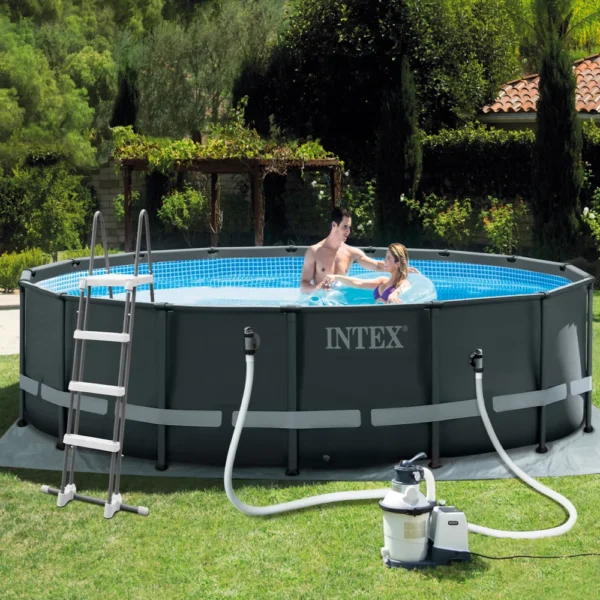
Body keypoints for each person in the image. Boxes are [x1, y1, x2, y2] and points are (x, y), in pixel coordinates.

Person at [300, 207, 390, 294]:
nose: (348, 231)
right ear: (334, 225)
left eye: (349, 227)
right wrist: (317, 288)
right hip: (321, 301)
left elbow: (377, 265)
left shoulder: (350, 252)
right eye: (345, 226)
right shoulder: (314, 252)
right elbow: (303, 286)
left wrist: (396, 266)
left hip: (340, 300)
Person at [317, 243, 411, 304]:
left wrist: (395, 293)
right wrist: (336, 277)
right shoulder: (382, 281)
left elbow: (405, 286)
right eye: (386, 257)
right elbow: (359, 283)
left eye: (388, 258)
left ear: (397, 263)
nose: (384, 260)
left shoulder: (402, 283)